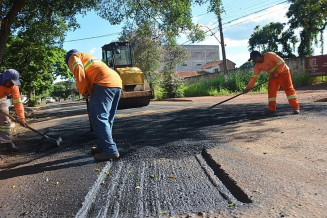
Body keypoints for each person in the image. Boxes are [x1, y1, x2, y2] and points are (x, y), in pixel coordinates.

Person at [65, 49, 122, 161]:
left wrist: (83, 91)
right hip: (116, 82)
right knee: (107, 118)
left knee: (99, 117)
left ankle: (110, 150)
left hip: (104, 82)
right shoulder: (88, 57)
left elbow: (78, 70)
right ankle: (102, 146)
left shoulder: (73, 57)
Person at [245, 51, 300, 115]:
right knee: (271, 91)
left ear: (257, 56)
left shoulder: (269, 55)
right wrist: (248, 88)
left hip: (284, 73)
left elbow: (282, 62)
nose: (254, 61)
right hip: (273, 76)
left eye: (254, 59)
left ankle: (295, 108)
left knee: (289, 90)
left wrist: (277, 72)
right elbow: (254, 77)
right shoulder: (258, 66)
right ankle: (271, 109)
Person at [0, 69, 27, 153]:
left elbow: (18, 103)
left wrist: (21, 119)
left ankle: (7, 142)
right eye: (10, 82)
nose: (12, 84)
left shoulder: (14, 87)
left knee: (5, 121)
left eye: (14, 82)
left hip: (1, 98)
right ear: (5, 79)